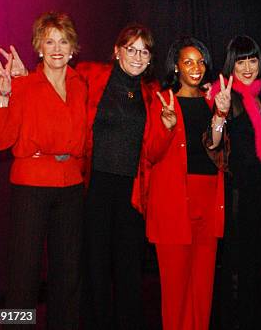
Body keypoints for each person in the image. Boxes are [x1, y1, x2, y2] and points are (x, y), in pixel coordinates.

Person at [0, 11, 87, 329]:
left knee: (68, 273)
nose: (57, 48)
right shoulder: (24, 85)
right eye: (49, 41)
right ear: (39, 47)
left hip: (70, 186)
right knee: (24, 274)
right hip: (31, 184)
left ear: (72, 49)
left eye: (63, 41)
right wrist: (4, 95)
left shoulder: (80, 85)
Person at [77, 23, 158, 330]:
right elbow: (56, 80)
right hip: (95, 186)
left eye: (144, 51)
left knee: (128, 270)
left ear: (150, 58)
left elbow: (157, 148)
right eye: (131, 49)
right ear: (117, 51)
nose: (137, 56)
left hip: (132, 192)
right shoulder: (90, 75)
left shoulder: (153, 95)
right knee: (95, 265)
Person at [144, 36, 225, 330]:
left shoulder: (211, 102)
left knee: (202, 286)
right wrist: (166, 128)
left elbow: (219, 152)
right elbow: (150, 154)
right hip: (174, 202)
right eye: (188, 61)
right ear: (176, 67)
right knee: (176, 287)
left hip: (207, 197)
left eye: (200, 61)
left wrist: (221, 114)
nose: (196, 67)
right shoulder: (162, 101)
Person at [208, 35, 261, 329]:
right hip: (237, 192)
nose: (247, 67)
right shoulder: (227, 96)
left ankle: (250, 317)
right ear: (231, 65)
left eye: (252, 59)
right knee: (235, 262)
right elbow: (214, 142)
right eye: (241, 60)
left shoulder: (260, 97)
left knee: (252, 262)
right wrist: (219, 114)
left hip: (258, 193)